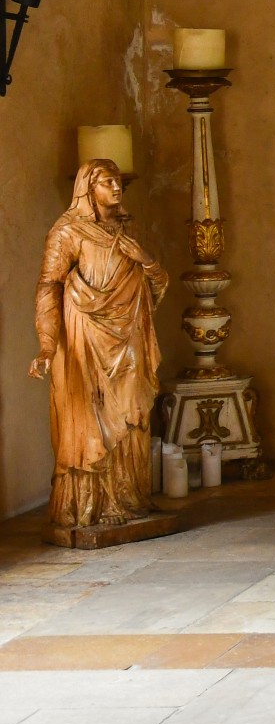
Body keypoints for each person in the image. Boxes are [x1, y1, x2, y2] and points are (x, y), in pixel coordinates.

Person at [33, 159, 170, 531]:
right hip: (86, 336)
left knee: (131, 414)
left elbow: (156, 285)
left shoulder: (127, 229)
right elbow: (49, 286)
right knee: (92, 418)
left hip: (129, 335)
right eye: (106, 181)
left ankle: (130, 498)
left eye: (118, 181)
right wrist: (47, 345)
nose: (115, 187)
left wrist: (147, 260)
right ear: (86, 187)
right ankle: (90, 508)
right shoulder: (67, 231)